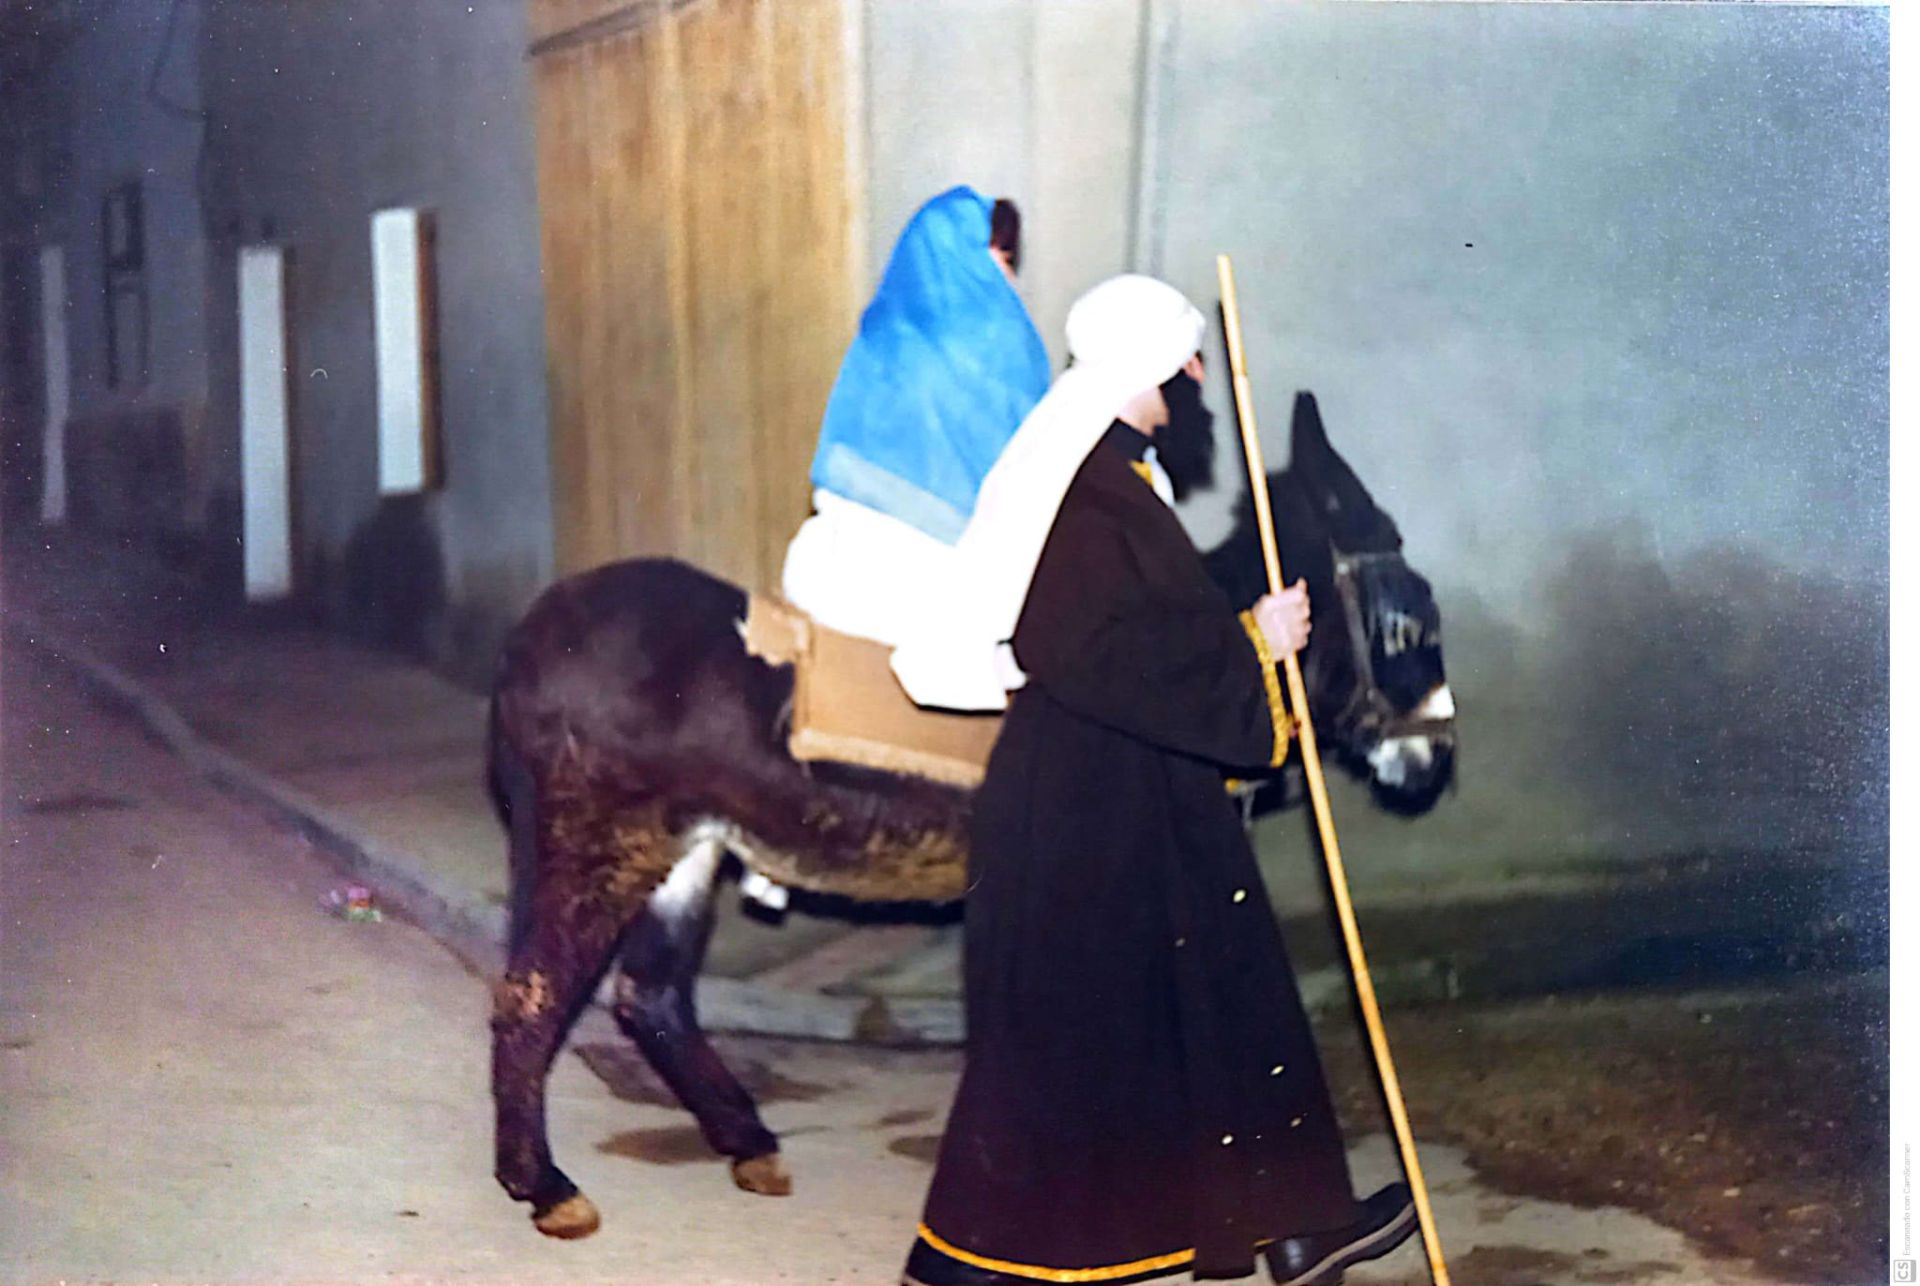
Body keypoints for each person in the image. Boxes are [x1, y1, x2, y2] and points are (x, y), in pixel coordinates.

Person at [898, 275, 1417, 1286]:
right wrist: (1248, 640)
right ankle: (969, 1259)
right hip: (1087, 802)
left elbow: (1141, 632)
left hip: (1127, 787)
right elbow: (1083, 646)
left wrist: (1242, 637)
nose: (1195, 375)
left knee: (1216, 994)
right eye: (1184, 356)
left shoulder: (1119, 479)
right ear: (1144, 362)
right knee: (1066, 1030)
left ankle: (1299, 1224)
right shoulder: (1088, 493)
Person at [781, 186, 1050, 645]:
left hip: (830, 580)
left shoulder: (882, 330)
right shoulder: (1005, 339)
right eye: (1005, 262)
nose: (1010, 282)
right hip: (933, 599)